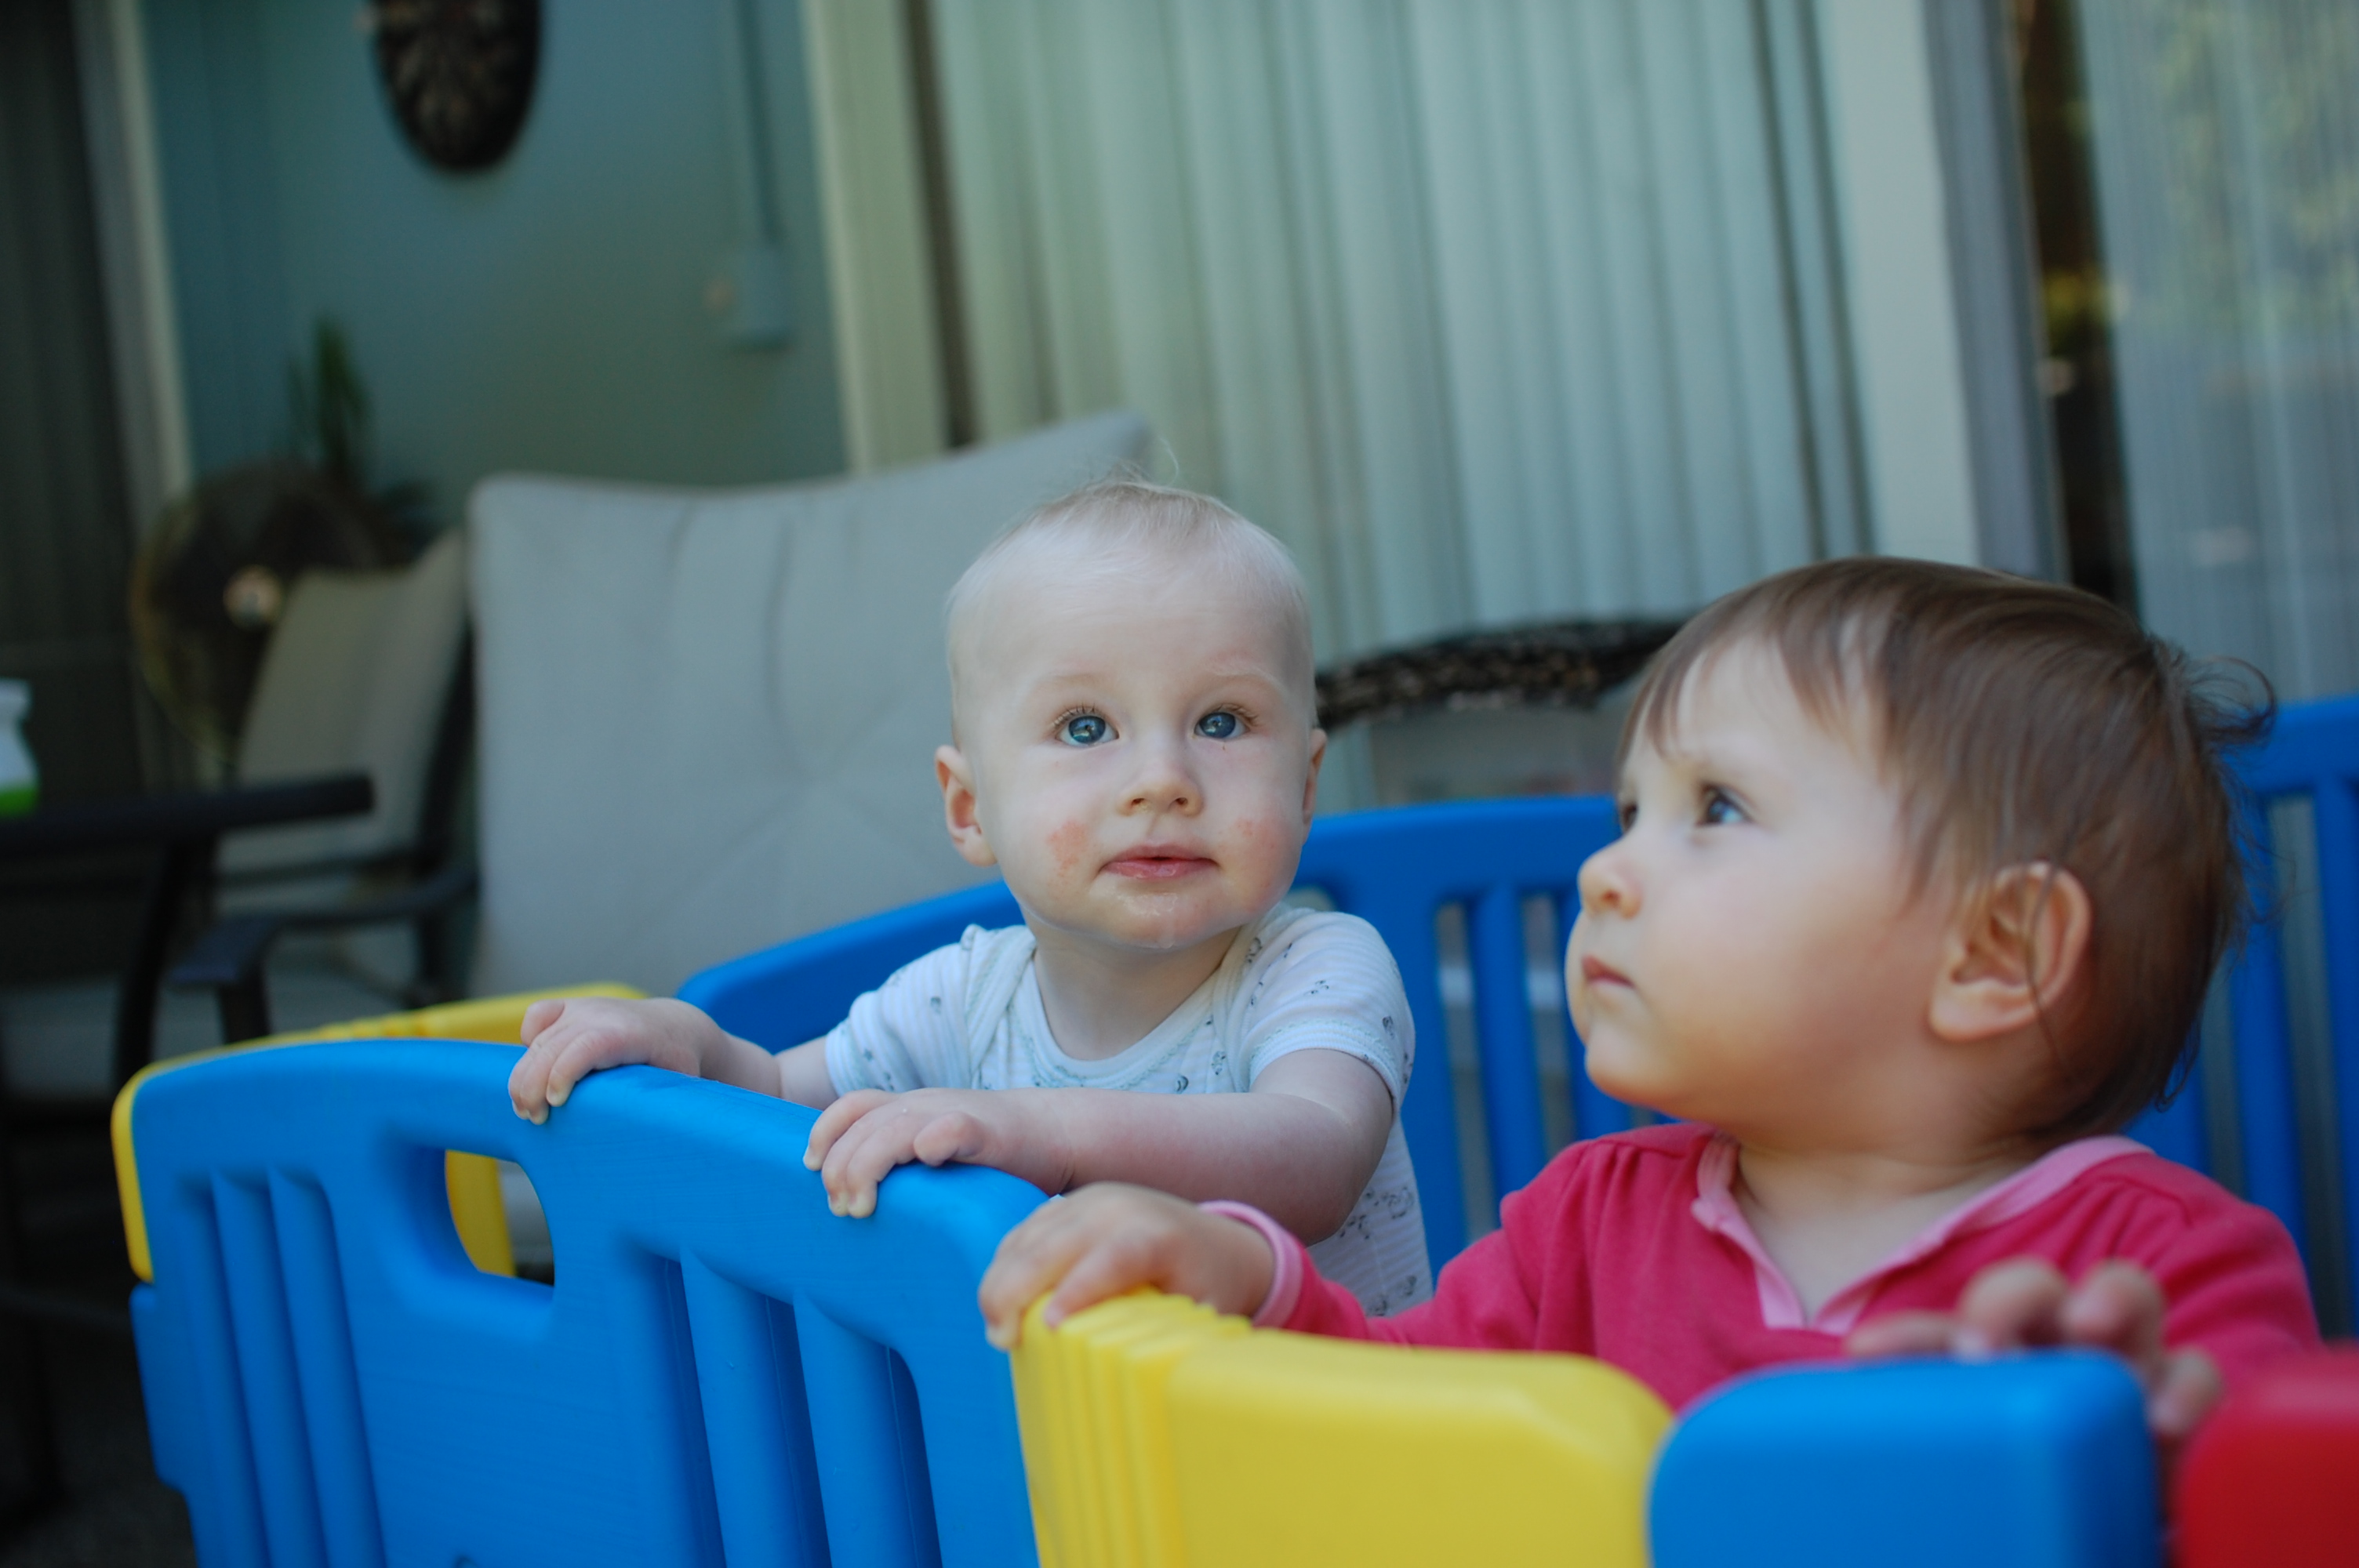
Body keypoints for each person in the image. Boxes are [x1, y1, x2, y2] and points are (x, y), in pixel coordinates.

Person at [978, 557, 2321, 1443]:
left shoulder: (2159, 1276)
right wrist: (1240, 1273)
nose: (1604, 871)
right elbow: (1396, 1407)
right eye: (1630, 813)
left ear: (1993, 952)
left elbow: (2282, 1500)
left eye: (1715, 809)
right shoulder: (1588, 1223)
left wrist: (2142, 1463)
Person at [507, 481, 1430, 1314]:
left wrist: (1046, 1131)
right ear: (968, 805)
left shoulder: (1317, 967)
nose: (1162, 778)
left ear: (1304, 787)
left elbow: (1315, 1154)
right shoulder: (961, 998)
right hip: (1073, 1443)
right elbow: (784, 1099)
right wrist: (691, 1043)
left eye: (1220, 721)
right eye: (1085, 726)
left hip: (1327, 1436)